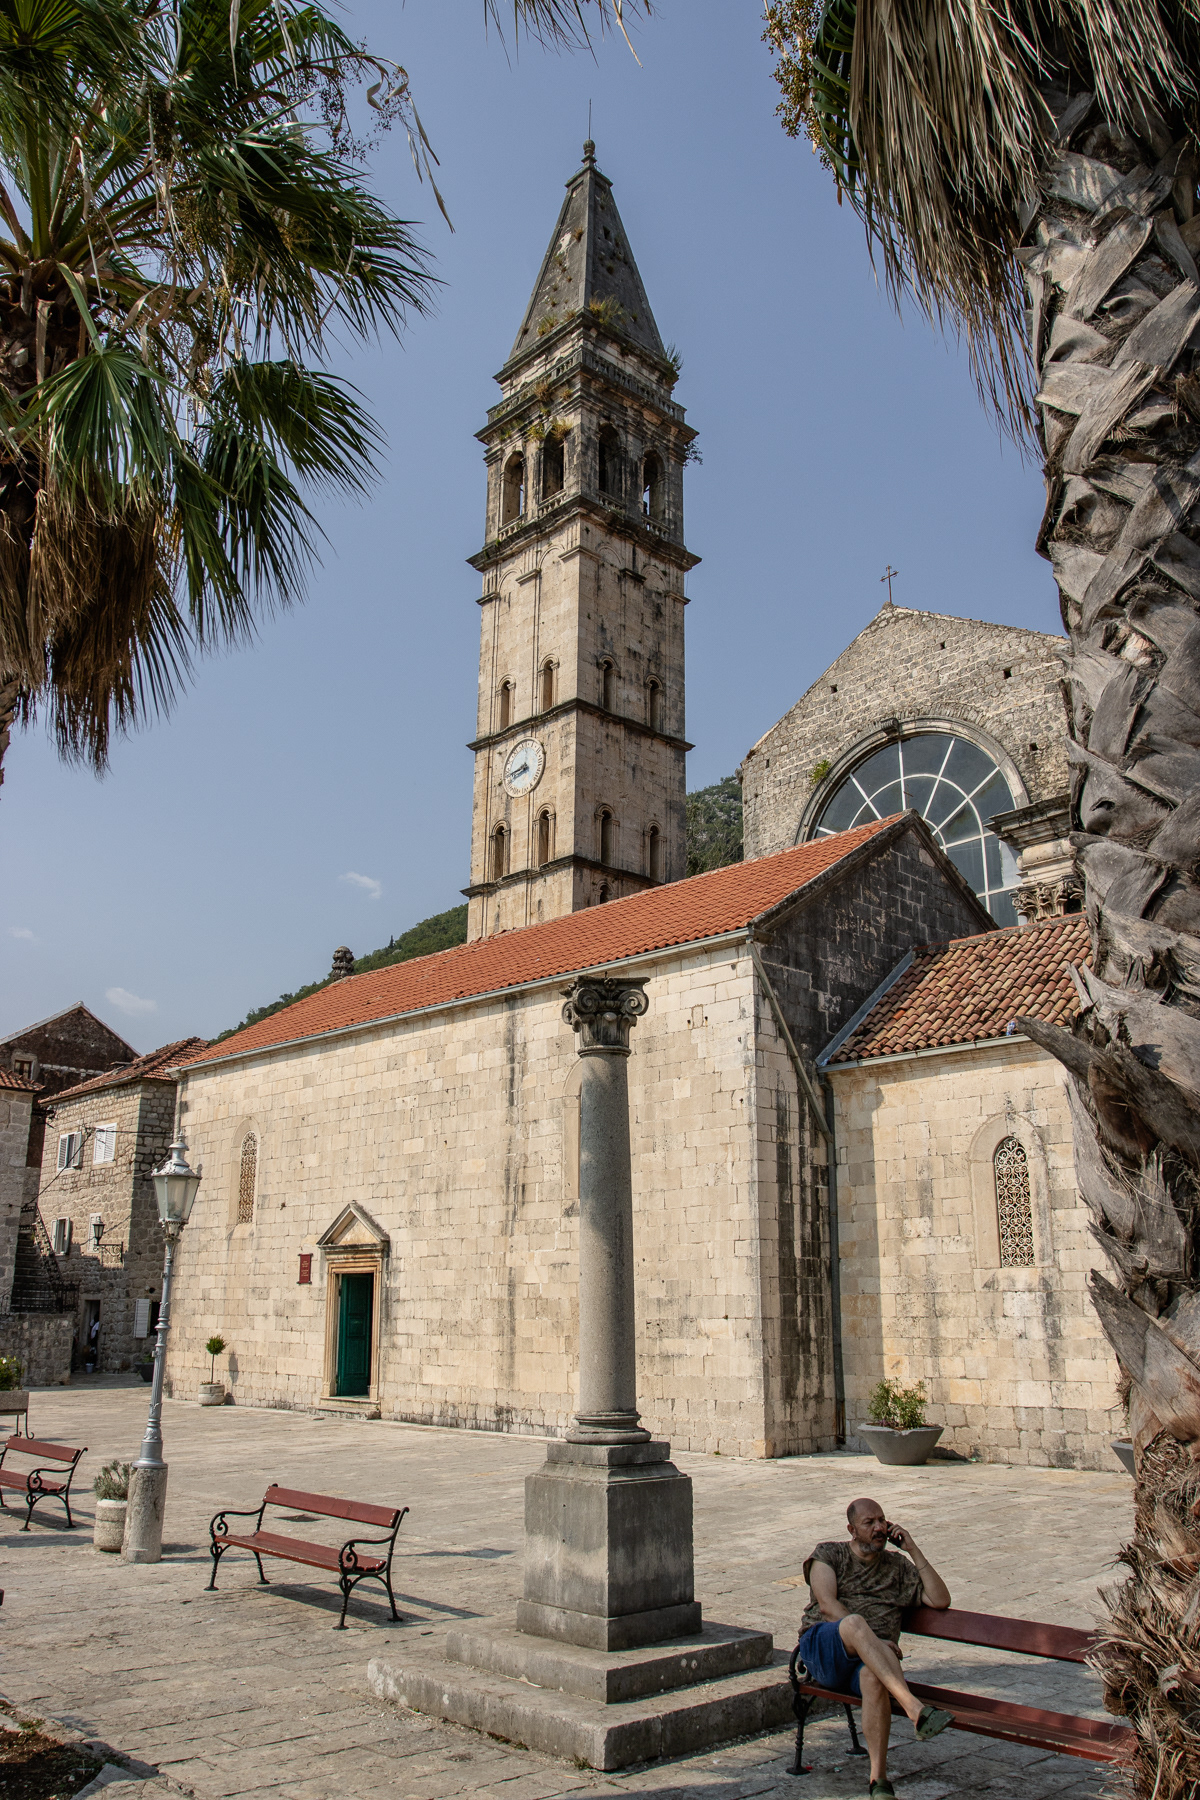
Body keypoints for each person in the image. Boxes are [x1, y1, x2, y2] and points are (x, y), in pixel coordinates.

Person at [798, 1497, 954, 1798]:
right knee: (855, 1624)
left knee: (874, 1678)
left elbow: (940, 1600)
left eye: (882, 1520)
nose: (879, 1527)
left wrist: (912, 1549)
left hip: (867, 1662)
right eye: (869, 1523)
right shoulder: (829, 1554)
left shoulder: (897, 1567)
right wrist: (874, 1640)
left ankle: (878, 1781)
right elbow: (829, 1607)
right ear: (852, 1529)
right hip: (824, 1648)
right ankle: (915, 1709)